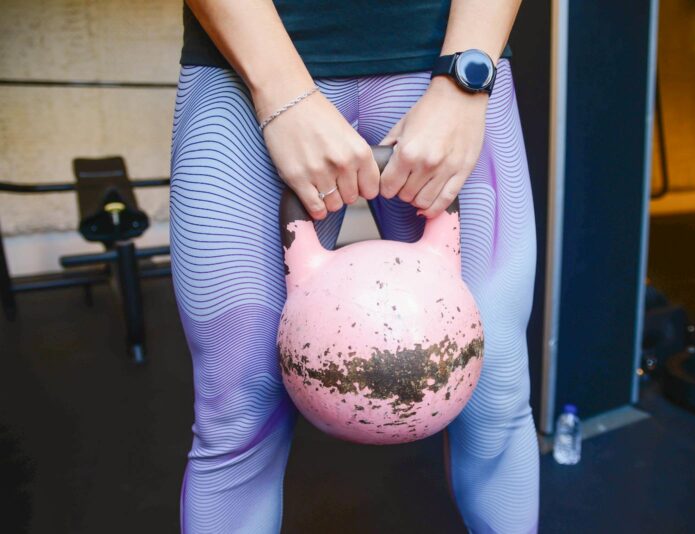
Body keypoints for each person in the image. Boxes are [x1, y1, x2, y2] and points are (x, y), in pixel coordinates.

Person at [170, 1, 539, 532]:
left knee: (495, 397)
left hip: (446, 66)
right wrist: (281, 94)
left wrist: (466, 79)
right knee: (237, 414)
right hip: (243, 68)